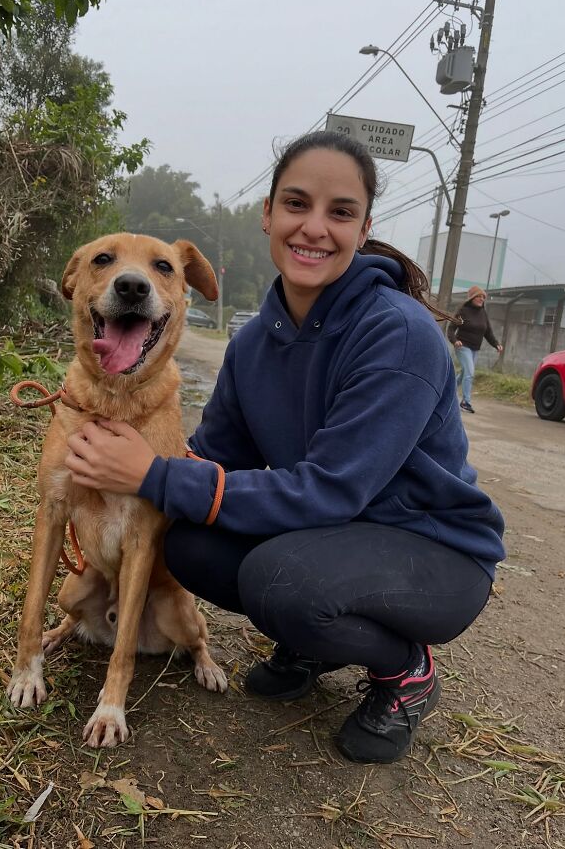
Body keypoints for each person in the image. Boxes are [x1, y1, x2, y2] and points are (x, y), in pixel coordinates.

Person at [64, 130, 505, 765]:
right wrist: (116, 452)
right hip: (336, 537)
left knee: (283, 585)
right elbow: (217, 458)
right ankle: (316, 641)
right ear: (268, 214)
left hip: (435, 553)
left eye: (341, 212)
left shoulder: (398, 334)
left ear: (363, 228)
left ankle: (405, 670)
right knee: (188, 544)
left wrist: (154, 475)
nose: (315, 228)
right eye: (297, 204)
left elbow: (330, 488)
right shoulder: (252, 345)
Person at [448, 285, 503, 413]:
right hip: (463, 347)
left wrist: (496, 344)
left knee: (464, 374)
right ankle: (465, 402)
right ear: (472, 297)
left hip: (474, 349)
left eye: (483, 297)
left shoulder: (483, 313)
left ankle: (448, 391)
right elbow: (451, 329)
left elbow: (488, 332)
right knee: (470, 373)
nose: (481, 299)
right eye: (478, 296)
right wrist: (455, 341)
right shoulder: (463, 310)